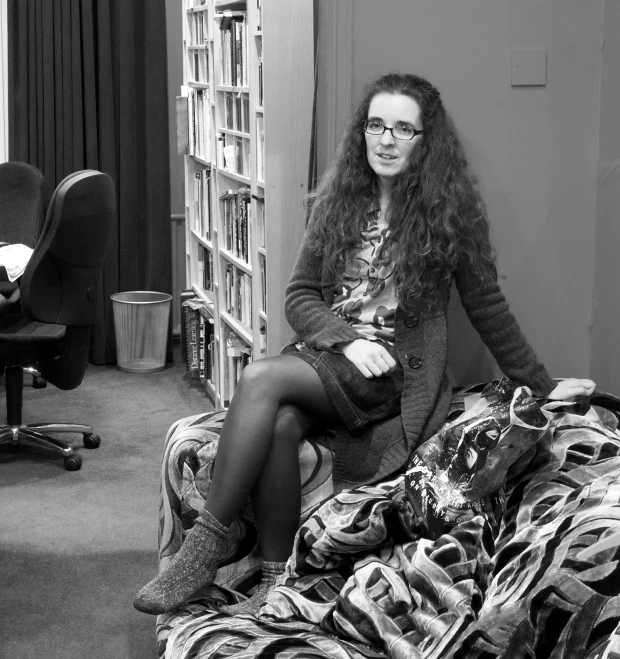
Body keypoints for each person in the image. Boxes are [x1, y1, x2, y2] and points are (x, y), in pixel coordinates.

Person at [133, 72, 595, 617]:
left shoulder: (450, 217)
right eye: (377, 125)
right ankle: (279, 576)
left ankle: (205, 546)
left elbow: (487, 307)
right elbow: (300, 296)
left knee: (260, 376)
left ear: (427, 142)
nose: (387, 139)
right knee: (279, 423)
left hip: (394, 372)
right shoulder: (338, 202)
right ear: (363, 133)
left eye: (404, 129)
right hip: (338, 357)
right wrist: (347, 341)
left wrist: (541, 384)